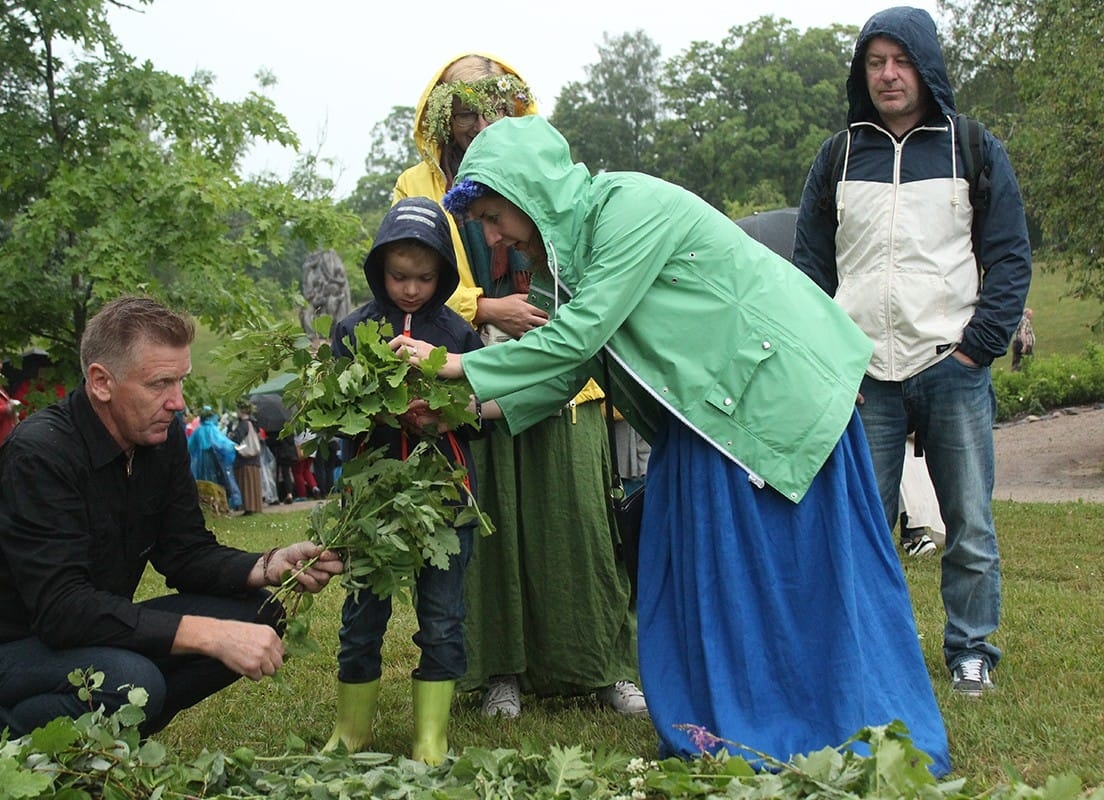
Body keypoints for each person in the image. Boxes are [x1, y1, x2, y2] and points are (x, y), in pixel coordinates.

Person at [390, 115, 951, 775]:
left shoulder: (629, 209)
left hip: (768, 402)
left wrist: (449, 366)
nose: (492, 237)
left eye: (493, 216)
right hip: (705, 424)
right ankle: (731, 728)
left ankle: (815, 721)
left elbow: (576, 337)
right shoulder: (561, 276)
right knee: (700, 582)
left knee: (796, 580)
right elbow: (565, 375)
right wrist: (464, 414)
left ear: (530, 194)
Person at [0, 296, 343, 743]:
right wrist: (208, 635)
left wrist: (268, 565)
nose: (177, 403)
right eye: (159, 384)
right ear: (101, 382)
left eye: (181, 381)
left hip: (81, 638)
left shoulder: (160, 438)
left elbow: (185, 551)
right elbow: (62, 610)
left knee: (259, 613)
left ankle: (119, 734)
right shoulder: (41, 454)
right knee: (134, 682)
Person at [394, 52, 645, 718]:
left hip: (568, 368)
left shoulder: (550, 177)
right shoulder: (417, 185)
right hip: (470, 361)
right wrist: (483, 308)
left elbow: (585, 271)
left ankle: (601, 666)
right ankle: (500, 671)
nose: (478, 122)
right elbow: (409, 275)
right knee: (491, 525)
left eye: (491, 107)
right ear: (442, 117)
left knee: (579, 521)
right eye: (464, 110)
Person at [793, 6, 1031, 699]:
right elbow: (810, 269)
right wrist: (835, 359)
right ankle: (872, 650)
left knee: (969, 521)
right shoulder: (837, 156)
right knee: (863, 526)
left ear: (925, 65)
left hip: (948, 363)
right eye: (875, 62)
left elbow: (1010, 256)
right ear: (861, 71)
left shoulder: (971, 146)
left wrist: (976, 349)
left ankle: (971, 650)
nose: (888, 75)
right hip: (866, 375)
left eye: (900, 61)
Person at [323, 197, 487, 765]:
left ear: (443, 272)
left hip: (445, 496)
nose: (411, 289)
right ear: (378, 270)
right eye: (398, 276)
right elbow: (333, 413)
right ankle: (351, 731)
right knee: (363, 611)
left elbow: (482, 414)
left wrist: (446, 410)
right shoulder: (352, 329)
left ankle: (430, 739)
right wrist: (379, 399)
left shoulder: (460, 335)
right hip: (372, 498)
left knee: (442, 618)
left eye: (424, 277)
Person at [229, 399, 264, 515]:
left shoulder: (243, 424)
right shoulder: (253, 423)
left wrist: (230, 435)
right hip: (254, 459)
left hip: (245, 459)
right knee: (253, 483)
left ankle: (248, 506)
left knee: (247, 483)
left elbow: (237, 439)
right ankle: (255, 506)